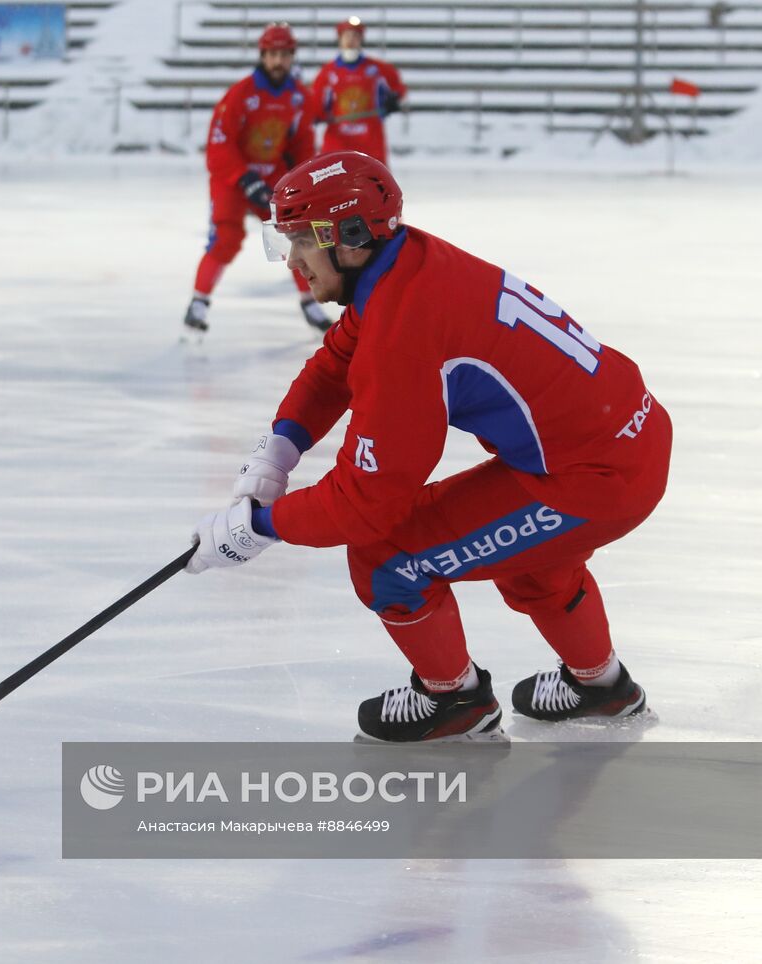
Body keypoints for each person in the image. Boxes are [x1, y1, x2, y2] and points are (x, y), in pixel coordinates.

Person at [185, 151, 671, 743]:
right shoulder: (403, 262)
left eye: (299, 241)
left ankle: (456, 700)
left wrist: (260, 526)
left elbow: (367, 502)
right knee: (536, 563)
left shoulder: (404, 330)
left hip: (597, 476)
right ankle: (602, 686)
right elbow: (336, 362)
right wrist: (277, 450)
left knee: (385, 555)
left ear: (350, 236)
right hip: (617, 443)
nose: (291, 261)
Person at [184, 22, 331, 336]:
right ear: (263, 56)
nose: (278, 61)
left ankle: (309, 299)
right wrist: (245, 177)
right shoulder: (240, 94)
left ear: (292, 57)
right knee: (226, 237)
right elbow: (219, 143)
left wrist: (302, 178)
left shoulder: (299, 98)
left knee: (298, 234)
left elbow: (302, 144)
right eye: (272, 54)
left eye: (284, 54)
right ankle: (199, 301)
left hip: (272, 175)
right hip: (234, 176)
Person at [309, 17, 406, 165]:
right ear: (340, 39)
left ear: (361, 39)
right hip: (338, 144)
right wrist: (316, 115)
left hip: (371, 144)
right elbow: (315, 104)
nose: (351, 40)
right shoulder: (327, 72)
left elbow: (398, 88)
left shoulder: (377, 69)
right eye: (347, 36)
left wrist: (392, 100)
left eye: (355, 36)